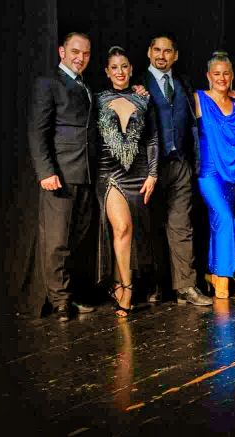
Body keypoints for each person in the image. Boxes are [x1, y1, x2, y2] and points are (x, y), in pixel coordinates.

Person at [143, 33, 235, 306]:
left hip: (182, 163)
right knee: (149, 226)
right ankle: (154, 285)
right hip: (150, 167)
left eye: (167, 51)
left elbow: (213, 101)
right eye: (157, 50)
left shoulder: (184, 84)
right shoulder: (138, 83)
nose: (162, 55)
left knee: (181, 226)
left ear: (175, 56)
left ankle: (185, 286)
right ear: (149, 52)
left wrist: (232, 94)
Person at [27, 32, 99, 321]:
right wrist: (46, 171)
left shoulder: (85, 85)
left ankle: (71, 293)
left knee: (77, 239)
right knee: (57, 240)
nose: (80, 58)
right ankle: (59, 301)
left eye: (85, 53)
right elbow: (38, 131)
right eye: (75, 51)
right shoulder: (48, 83)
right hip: (60, 174)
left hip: (85, 173)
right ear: (62, 52)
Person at [96, 46, 159, 317]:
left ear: (131, 69)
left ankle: (120, 282)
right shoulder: (97, 99)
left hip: (139, 173)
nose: (120, 71)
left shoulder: (143, 99)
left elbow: (153, 139)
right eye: (114, 67)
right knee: (122, 228)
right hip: (109, 173)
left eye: (124, 66)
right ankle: (127, 287)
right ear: (107, 72)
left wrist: (153, 174)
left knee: (132, 233)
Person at [194, 51, 235, 299]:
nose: (221, 78)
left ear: (232, 75)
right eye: (217, 73)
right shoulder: (198, 99)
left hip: (231, 173)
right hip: (208, 172)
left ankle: (213, 274)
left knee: (222, 221)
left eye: (226, 73)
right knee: (226, 218)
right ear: (208, 76)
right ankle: (224, 279)